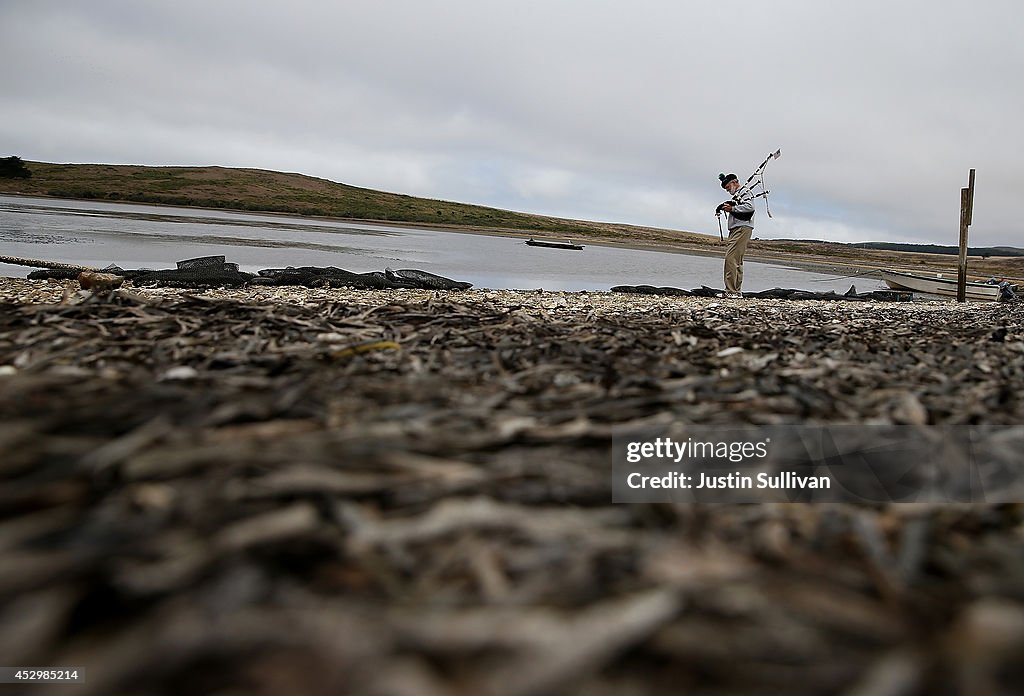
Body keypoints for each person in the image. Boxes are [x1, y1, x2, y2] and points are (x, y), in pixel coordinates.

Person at [716, 172, 755, 296]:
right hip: (740, 229)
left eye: (727, 187)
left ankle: (731, 291)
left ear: (734, 182)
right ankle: (736, 292)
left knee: (731, 258)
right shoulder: (740, 194)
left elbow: (750, 207)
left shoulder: (744, 192)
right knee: (737, 260)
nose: (727, 190)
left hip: (741, 229)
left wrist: (732, 209)